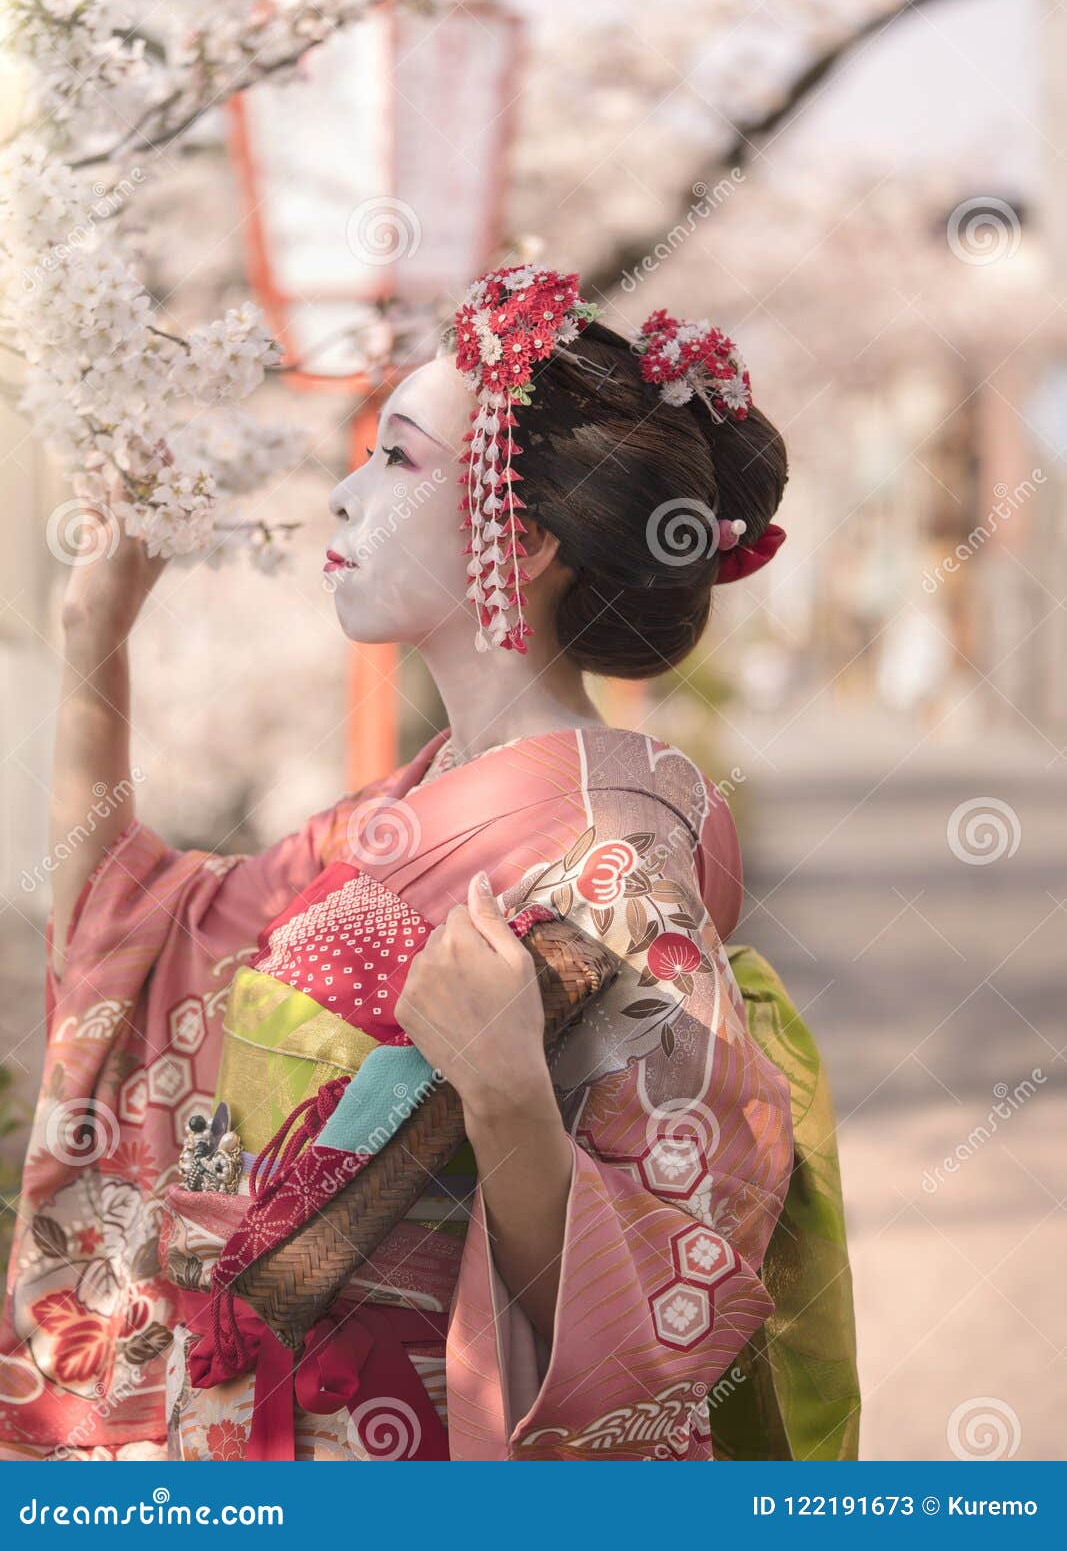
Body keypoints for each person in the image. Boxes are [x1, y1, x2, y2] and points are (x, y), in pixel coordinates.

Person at [1, 266, 855, 1461]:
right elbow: (136, 944)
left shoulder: (613, 858)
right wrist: (98, 637)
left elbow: (665, 1297)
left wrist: (506, 1088)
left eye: (395, 460)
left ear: (530, 536)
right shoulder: (411, 803)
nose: (343, 498)